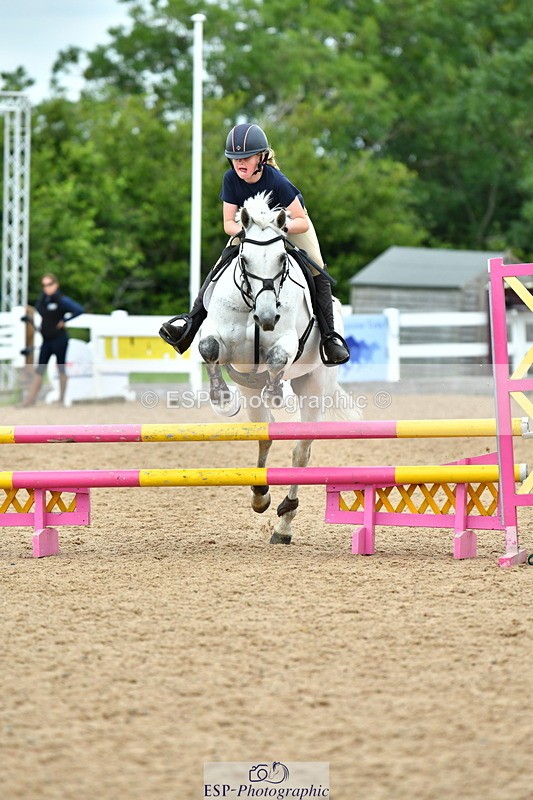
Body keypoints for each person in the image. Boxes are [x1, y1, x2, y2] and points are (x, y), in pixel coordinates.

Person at [159, 122, 350, 366]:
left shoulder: (278, 181)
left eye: (247, 157)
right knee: (220, 265)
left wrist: (275, 227)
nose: (240, 163)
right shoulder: (230, 179)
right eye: (235, 158)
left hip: (289, 226)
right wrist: (250, 233)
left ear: (261, 157)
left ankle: (329, 337)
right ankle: (189, 325)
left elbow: (301, 220)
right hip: (249, 229)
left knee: (316, 267)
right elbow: (228, 223)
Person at [20, 273, 84, 407]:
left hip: (59, 339)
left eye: (49, 284)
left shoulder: (61, 300)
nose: (47, 288)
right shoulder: (43, 301)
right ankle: (30, 400)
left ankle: (61, 399)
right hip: (47, 340)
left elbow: (78, 310)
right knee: (40, 369)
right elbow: (38, 312)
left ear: (56, 284)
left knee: (61, 368)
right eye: (44, 285)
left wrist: (65, 320)